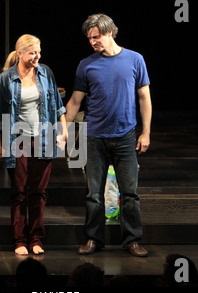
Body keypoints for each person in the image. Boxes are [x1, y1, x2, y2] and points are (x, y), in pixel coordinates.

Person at [65, 13, 152, 257]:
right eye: (90, 38)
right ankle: (93, 239)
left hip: (125, 136)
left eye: (97, 36)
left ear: (110, 32)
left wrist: (145, 133)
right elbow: (75, 102)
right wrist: (61, 130)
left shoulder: (135, 59)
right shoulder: (86, 64)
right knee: (94, 194)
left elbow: (144, 98)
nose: (93, 41)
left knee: (130, 194)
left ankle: (132, 240)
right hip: (94, 138)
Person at [0, 34, 67, 256]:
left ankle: (36, 238)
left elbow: (58, 106)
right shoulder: (5, 79)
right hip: (18, 141)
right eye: (33, 52)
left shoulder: (46, 73)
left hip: (43, 139)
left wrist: (62, 132)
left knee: (39, 192)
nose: (37, 56)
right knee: (19, 193)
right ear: (21, 54)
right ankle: (19, 240)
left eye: (39, 52)